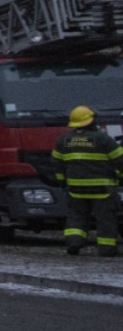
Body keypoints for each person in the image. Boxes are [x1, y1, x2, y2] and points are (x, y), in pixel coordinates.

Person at [54, 105, 120, 257]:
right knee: (105, 220)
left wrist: (62, 181)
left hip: (76, 189)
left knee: (76, 216)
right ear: (91, 121)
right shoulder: (102, 138)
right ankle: (106, 249)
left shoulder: (64, 140)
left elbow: (56, 163)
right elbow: (119, 160)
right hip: (102, 189)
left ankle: (74, 243)